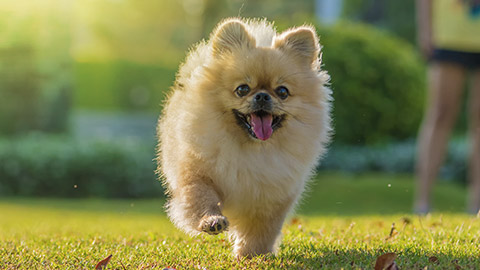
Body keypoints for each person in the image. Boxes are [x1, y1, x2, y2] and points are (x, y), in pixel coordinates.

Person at [415, 0, 480, 214]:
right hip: (448, 35)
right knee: (441, 113)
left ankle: (476, 204)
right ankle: (423, 201)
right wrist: (425, 29)